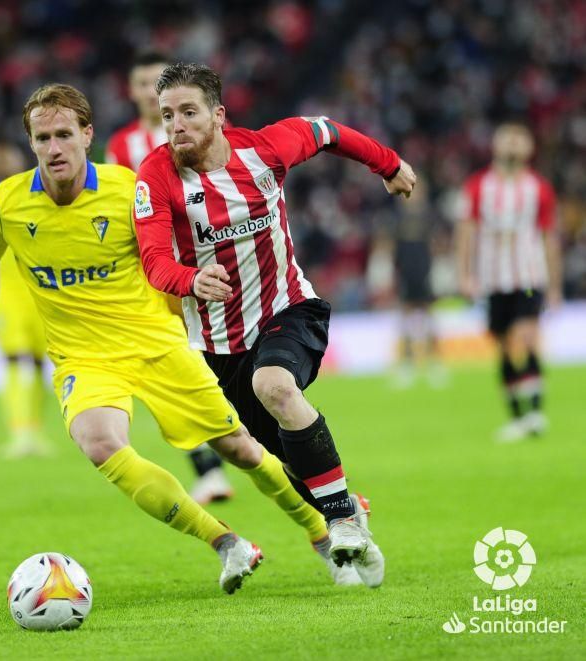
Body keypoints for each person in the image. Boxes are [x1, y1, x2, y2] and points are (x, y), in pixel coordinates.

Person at [0, 83, 359, 593]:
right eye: (43, 138)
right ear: (31, 142)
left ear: (88, 135)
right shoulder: (7, 204)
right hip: (84, 358)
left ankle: (320, 532)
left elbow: (172, 257)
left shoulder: (130, 190)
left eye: (65, 134)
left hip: (158, 343)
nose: (54, 147)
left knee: (240, 449)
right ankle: (224, 542)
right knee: (100, 443)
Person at [135, 62, 417, 587]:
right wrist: (189, 280)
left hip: (289, 309)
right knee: (287, 459)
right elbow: (153, 262)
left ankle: (342, 521)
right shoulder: (156, 176)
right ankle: (349, 511)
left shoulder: (265, 149)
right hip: (220, 343)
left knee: (275, 385)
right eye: (168, 115)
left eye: (189, 113)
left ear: (218, 116)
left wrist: (388, 164)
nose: (176, 125)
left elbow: (329, 131)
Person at [107, 50, 234, 505]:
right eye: (141, 84)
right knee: (180, 365)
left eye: (152, 83)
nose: (146, 91)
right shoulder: (121, 147)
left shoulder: (199, 133)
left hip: (212, 263)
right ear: (132, 91)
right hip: (156, 273)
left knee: (217, 361)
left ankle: (244, 443)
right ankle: (209, 465)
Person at [456, 122, 562, 442]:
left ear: (530, 147)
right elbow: (466, 232)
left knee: (525, 335)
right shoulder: (477, 187)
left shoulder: (539, 188)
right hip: (492, 278)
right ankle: (518, 416)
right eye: (508, 138)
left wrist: (554, 285)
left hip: (529, 275)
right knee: (502, 344)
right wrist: (465, 273)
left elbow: (549, 237)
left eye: (520, 138)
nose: (514, 144)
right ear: (496, 145)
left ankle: (535, 414)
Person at [0, 142, 53, 458]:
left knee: (43, 364)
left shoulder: (38, 193)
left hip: (39, 291)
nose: (6, 161)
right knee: (16, 361)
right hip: (7, 296)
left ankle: (36, 429)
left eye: (10, 156)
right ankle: (19, 431)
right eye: (0, 157)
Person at [372, 176, 447, 389]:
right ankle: (406, 363)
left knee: (430, 318)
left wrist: (440, 271)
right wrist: (385, 273)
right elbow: (387, 246)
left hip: (425, 273)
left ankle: (434, 362)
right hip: (405, 274)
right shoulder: (395, 217)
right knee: (404, 320)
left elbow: (438, 245)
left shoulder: (429, 216)